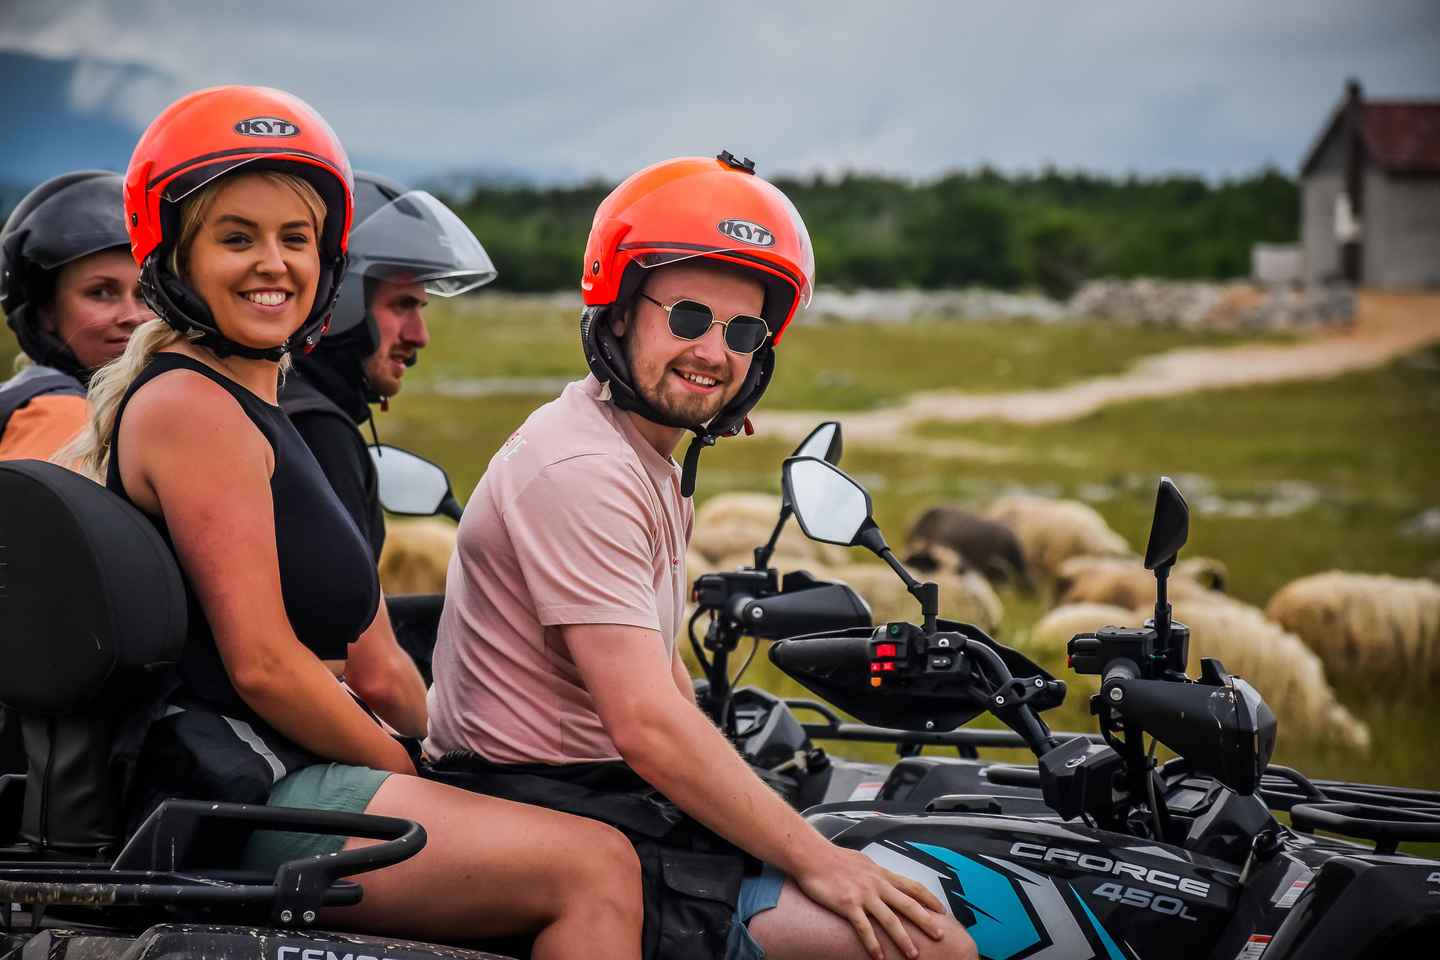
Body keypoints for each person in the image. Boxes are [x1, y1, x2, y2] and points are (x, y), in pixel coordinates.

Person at [58, 85, 641, 957]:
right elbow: (263, 666)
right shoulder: (193, 407)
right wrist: (406, 766)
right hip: (239, 790)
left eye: (295, 238)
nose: (273, 264)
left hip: (276, 772)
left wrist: (452, 755)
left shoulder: (258, 406)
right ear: (173, 256)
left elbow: (370, 661)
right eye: (236, 238)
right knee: (595, 868)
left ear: (327, 258)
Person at [423, 153, 978, 960]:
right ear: (619, 312)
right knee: (929, 946)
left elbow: (668, 688)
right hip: (552, 809)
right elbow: (646, 724)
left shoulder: (640, 452)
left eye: (743, 332)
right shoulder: (584, 469)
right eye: (687, 318)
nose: (713, 352)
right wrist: (818, 860)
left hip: (605, 799)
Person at [278, 171, 496, 724]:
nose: (419, 335)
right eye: (403, 305)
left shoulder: (282, 404)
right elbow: (361, 666)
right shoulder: (315, 430)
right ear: (340, 301)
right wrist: (427, 750)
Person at [0, 171, 151, 460]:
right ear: (46, 312)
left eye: (145, 294)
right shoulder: (60, 416)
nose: (132, 316)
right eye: (101, 292)